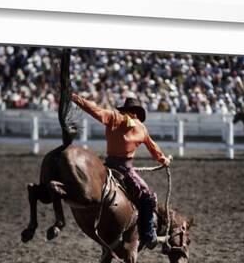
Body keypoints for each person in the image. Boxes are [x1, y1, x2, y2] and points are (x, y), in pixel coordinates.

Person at [71, 93, 171, 251]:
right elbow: (153, 147)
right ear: (137, 113)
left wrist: (77, 99)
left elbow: (93, 109)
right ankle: (147, 234)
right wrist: (163, 159)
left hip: (108, 164)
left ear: (125, 109)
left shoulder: (113, 117)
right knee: (147, 196)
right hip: (125, 169)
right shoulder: (141, 127)